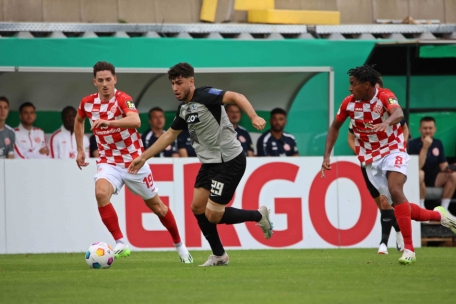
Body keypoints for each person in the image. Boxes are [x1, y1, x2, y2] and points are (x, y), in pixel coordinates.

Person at [128, 62, 274, 266]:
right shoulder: (184, 109)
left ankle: (259, 215)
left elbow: (236, 96)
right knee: (197, 207)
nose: (175, 88)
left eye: (179, 83)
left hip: (228, 161)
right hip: (209, 164)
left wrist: (254, 116)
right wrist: (144, 157)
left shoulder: (206, 95)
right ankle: (219, 255)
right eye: (172, 84)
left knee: (213, 215)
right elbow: (170, 134)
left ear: (191, 81)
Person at [322, 65, 456, 265]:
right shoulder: (349, 104)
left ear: (367, 85)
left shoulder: (385, 96)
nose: (350, 89)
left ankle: (409, 249)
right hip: (370, 160)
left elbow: (398, 113)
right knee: (399, 206)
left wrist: (387, 123)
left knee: (395, 190)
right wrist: (326, 156)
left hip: (393, 151)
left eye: (353, 84)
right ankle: (440, 216)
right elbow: (335, 127)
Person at [74, 61, 192, 263]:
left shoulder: (123, 99)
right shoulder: (87, 102)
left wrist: (109, 122)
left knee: (158, 208)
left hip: (134, 162)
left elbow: (135, 120)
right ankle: (120, 242)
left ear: (115, 80)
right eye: (100, 80)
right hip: (108, 162)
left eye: (108, 80)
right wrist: (79, 149)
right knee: (101, 193)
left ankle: (180, 246)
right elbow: (78, 120)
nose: (105, 84)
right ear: (94, 82)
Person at [347, 78, 408, 255]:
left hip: (388, 157)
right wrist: (362, 154)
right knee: (384, 204)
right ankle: (399, 231)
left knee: (387, 199)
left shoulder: (389, 109)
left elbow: (404, 128)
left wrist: (400, 149)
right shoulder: (356, 112)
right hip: (368, 162)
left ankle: (383, 244)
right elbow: (350, 138)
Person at [408, 117, 456, 211]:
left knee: (454, 175)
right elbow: (417, 167)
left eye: (430, 128)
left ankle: (443, 210)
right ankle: (421, 208)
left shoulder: (438, 143)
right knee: (420, 173)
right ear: (420, 129)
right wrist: (425, 147)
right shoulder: (413, 144)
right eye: (425, 128)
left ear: (435, 129)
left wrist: (450, 168)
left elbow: (443, 165)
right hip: (418, 177)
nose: (428, 131)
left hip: (434, 178)